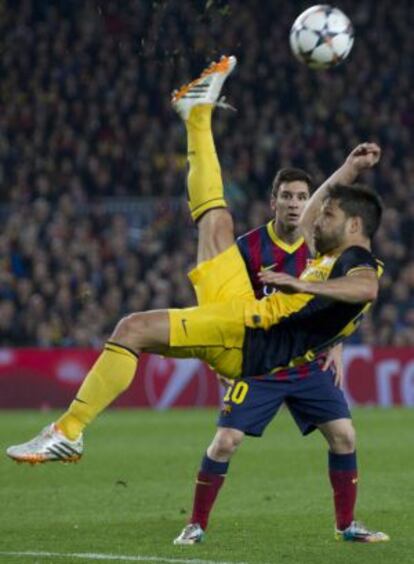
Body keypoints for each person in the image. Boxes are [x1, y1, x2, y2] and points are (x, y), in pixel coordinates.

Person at [7, 58, 386, 546]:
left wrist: (304, 287)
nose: (314, 216)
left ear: (354, 228)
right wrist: (347, 170)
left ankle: (69, 431)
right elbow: (314, 216)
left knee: (131, 328)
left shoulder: (358, 263)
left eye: (328, 213)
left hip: (252, 336)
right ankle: (197, 114)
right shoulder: (325, 246)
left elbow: (366, 291)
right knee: (216, 223)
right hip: (246, 318)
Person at [172, 59, 389, 545]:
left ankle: (346, 525)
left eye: (303, 197)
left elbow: (348, 300)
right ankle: (196, 523)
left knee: (346, 436)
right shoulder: (250, 249)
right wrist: (225, 361)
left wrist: (334, 342)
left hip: (307, 364)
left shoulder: (322, 248)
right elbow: (227, 307)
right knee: (225, 441)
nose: (296, 204)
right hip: (263, 361)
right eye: (287, 196)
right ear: (274, 201)